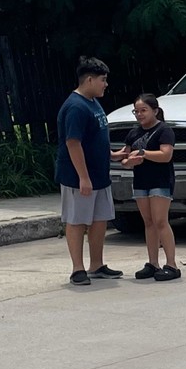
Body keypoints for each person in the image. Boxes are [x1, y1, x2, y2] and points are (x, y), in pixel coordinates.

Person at [56, 57, 122, 286]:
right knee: (77, 220)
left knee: (99, 219)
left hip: (99, 174)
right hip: (78, 177)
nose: (106, 85)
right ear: (90, 79)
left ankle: (97, 264)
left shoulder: (93, 102)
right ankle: (77, 269)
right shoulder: (76, 107)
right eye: (103, 80)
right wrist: (83, 177)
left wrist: (113, 156)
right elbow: (73, 143)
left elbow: (95, 139)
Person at [117, 94, 180, 282]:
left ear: (155, 110)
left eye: (143, 110)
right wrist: (130, 161)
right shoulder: (133, 133)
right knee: (148, 222)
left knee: (161, 220)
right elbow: (126, 158)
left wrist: (144, 153)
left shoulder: (164, 130)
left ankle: (172, 264)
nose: (139, 114)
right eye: (136, 111)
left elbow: (165, 155)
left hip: (160, 181)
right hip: (141, 181)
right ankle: (153, 263)